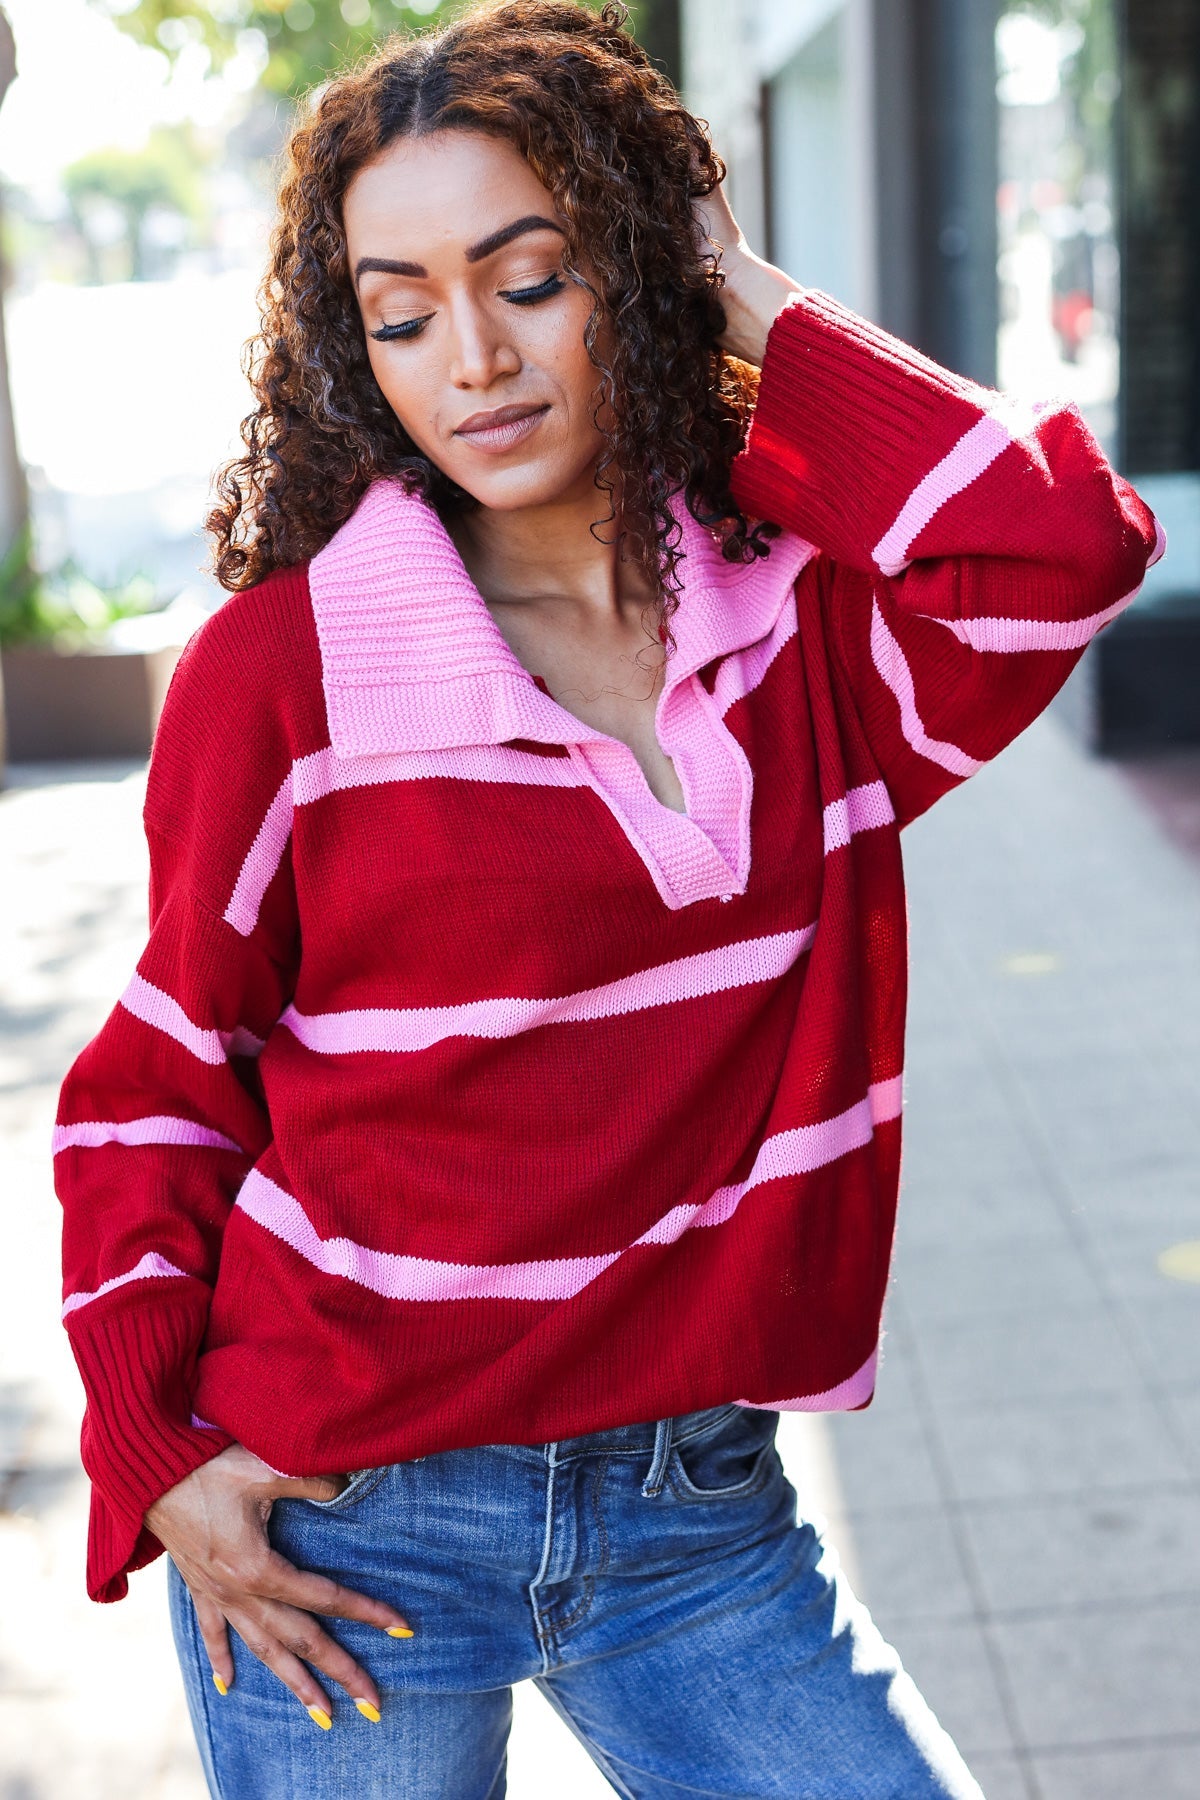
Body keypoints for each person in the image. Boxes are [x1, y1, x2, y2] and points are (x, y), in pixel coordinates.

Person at [53, 3, 1164, 1795]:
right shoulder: (289, 671)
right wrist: (152, 1448)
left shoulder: (797, 629)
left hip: (695, 1517)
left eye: (533, 277)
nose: (474, 360)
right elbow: (156, 1085)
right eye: (402, 314)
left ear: (636, 271)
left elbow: (1062, 545)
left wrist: (747, 294)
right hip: (351, 1524)